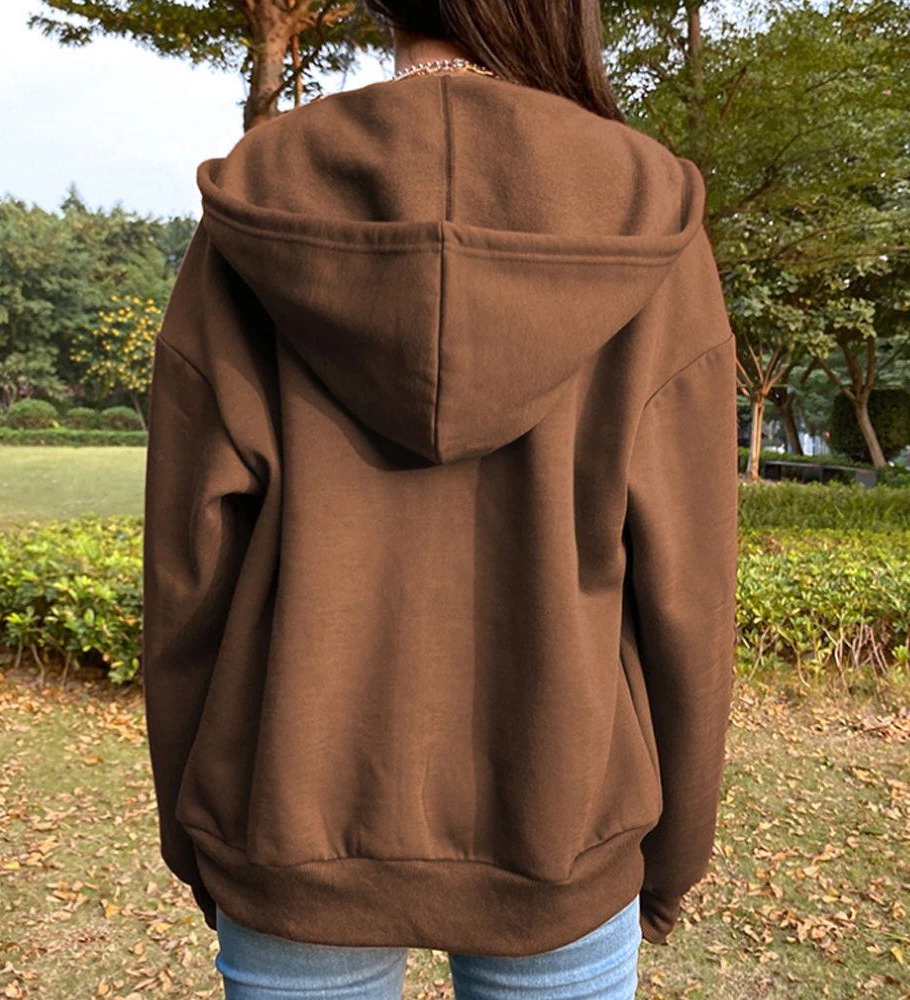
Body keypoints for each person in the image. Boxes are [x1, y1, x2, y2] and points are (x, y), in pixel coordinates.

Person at [140, 0, 740, 997]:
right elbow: (690, 594)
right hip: (565, 832)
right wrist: (670, 859)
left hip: (289, 826)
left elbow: (185, 577)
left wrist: (198, 838)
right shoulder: (644, 209)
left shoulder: (263, 198)